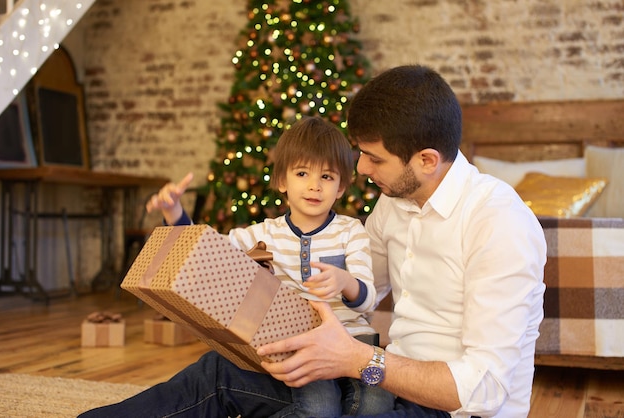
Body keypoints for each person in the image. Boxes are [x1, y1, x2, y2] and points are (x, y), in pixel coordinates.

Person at [80, 65, 546, 418]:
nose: (360, 170)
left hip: (446, 409)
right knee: (219, 374)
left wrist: (357, 358)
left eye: (373, 158)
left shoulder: (499, 224)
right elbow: (361, 288)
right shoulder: (394, 207)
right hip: (377, 380)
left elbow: (483, 387)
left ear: (426, 159)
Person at [81, 116, 395, 418]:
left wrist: (345, 282)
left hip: (358, 342)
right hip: (303, 346)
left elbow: (368, 299)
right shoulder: (264, 234)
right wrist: (175, 212)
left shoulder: (350, 231)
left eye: (326, 177)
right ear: (282, 181)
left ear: (340, 187)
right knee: (318, 410)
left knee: (377, 407)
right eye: (302, 174)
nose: (314, 186)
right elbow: (208, 250)